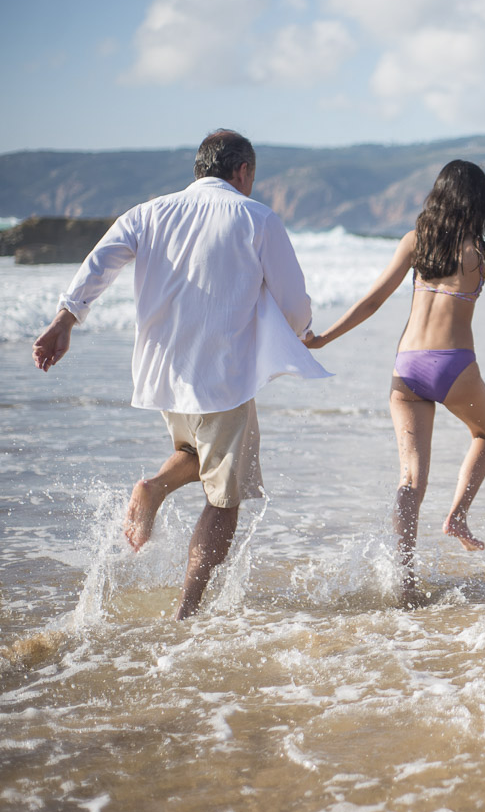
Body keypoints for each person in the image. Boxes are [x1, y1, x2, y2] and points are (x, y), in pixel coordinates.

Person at [32, 129, 329, 620]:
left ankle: (153, 487)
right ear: (244, 171)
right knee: (225, 497)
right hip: (223, 374)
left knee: (192, 451)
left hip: (165, 371)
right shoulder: (255, 216)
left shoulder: (149, 212)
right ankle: (186, 611)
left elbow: (100, 261)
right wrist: (299, 332)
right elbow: (293, 300)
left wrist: (66, 320)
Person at [305, 160, 485, 606]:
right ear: (480, 203)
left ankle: (405, 582)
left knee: (410, 480)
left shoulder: (415, 243)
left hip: (406, 368)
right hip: (454, 367)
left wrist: (323, 338)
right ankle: (457, 514)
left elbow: (373, 300)